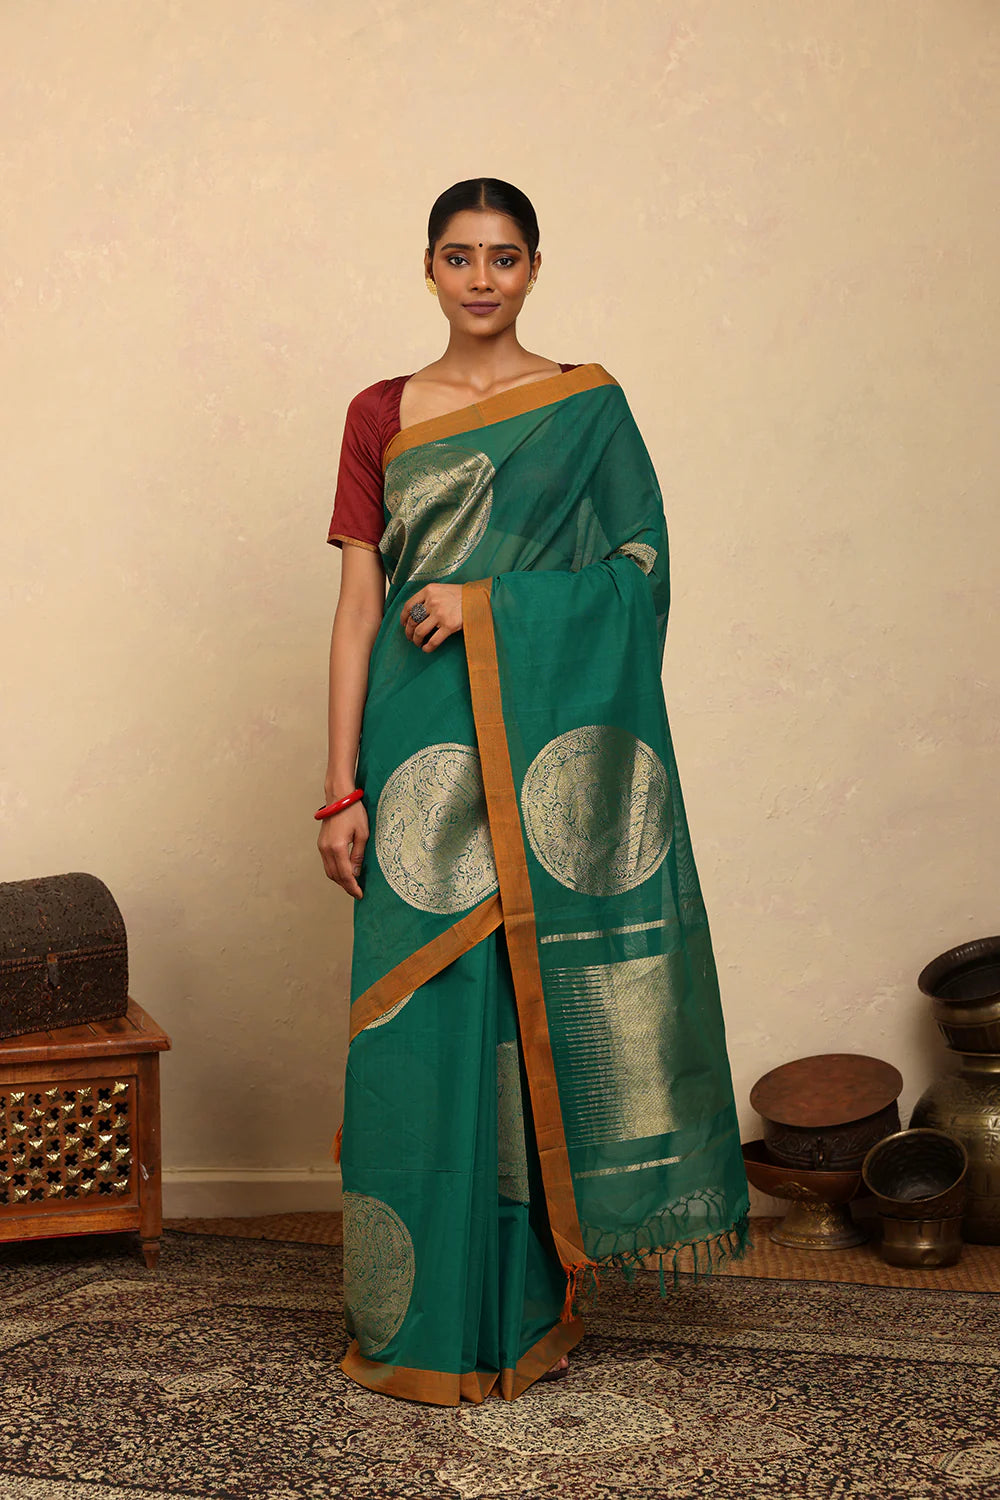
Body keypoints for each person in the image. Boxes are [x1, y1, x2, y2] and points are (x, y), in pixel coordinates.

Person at [317, 177, 751, 1406]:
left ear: (534, 269)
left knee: (523, 1018)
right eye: (459, 256)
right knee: (419, 1025)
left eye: (503, 257)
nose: (481, 278)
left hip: (538, 741)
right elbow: (357, 608)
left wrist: (489, 604)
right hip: (415, 752)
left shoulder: (586, 407)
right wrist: (338, 786)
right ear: (428, 268)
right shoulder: (378, 413)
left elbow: (641, 573)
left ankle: (514, 1313)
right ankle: (415, 1321)